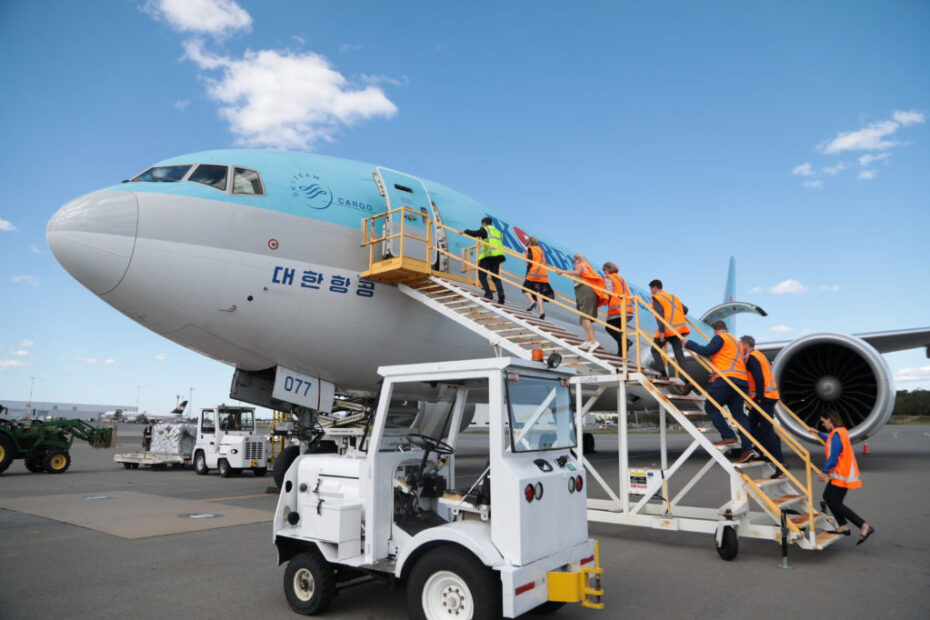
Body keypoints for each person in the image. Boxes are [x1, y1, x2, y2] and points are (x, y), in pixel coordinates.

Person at [683, 321, 754, 463]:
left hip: (726, 380)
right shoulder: (736, 342)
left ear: (715, 330)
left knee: (710, 407)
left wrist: (687, 343)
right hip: (740, 381)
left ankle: (728, 436)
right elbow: (727, 359)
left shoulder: (720, 338)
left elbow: (706, 351)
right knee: (739, 415)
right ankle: (747, 449)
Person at [812, 410, 875, 543]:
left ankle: (863, 525)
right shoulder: (840, 432)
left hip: (841, 474)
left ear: (830, 420)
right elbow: (829, 441)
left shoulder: (836, 435)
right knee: (828, 498)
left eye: (823, 421)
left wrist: (824, 471)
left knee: (834, 501)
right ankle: (843, 526)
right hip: (840, 474)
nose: (822, 424)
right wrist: (817, 433)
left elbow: (834, 457)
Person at [740, 335, 786, 473]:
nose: (739, 347)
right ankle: (762, 452)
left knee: (767, 429)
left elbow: (759, 378)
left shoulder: (753, 357)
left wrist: (759, 397)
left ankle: (780, 463)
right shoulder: (759, 355)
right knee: (751, 424)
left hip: (763, 398)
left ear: (746, 344)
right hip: (765, 397)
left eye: (740, 344)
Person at [557, 254, 606, 352]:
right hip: (582, 290)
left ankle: (593, 341)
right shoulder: (587, 266)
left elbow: (577, 272)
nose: (573, 262)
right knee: (583, 317)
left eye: (573, 260)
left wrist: (562, 272)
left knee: (585, 317)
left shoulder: (581, 264)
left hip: (584, 290)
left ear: (577, 259)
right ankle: (588, 340)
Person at [648, 280, 690, 378]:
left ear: (655, 288)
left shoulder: (657, 298)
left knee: (655, 350)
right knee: (679, 355)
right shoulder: (674, 297)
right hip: (678, 330)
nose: (650, 291)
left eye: (651, 289)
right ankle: (688, 380)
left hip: (667, 330)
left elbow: (659, 315)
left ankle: (663, 374)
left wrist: (662, 332)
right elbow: (686, 310)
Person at [462, 216, 506, 304]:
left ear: (484, 223)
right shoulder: (498, 232)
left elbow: (476, 233)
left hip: (488, 255)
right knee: (495, 277)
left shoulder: (486, 229)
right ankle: (501, 294)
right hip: (498, 256)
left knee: (481, 276)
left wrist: (465, 231)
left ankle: (488, 293)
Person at [603, 262, 634, 356]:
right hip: (627, 310)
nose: (604, 273)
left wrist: (601, 298)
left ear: (607, 270)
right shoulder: (620, 278)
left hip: (617, 309)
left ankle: (627, 341)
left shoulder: (609, 278)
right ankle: (622, 353)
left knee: (609, 327)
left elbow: (609, 292)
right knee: (620, 331)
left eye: (604, 270)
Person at [522, 237, 554, 320]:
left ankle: (532, 302)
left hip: (533, 273)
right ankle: (541, 312)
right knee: (538, 293)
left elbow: (530, 263)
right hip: (543, 274)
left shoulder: (530, 249)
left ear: (530, 242)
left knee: (524, 289)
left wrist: (527, 275)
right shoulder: (541, 251)